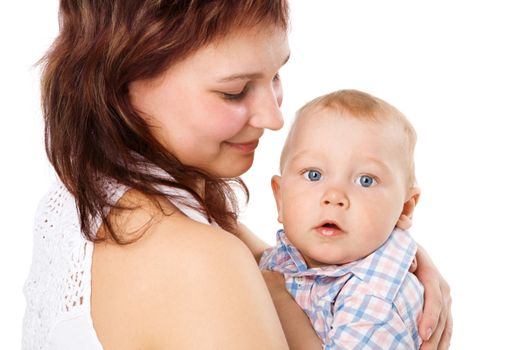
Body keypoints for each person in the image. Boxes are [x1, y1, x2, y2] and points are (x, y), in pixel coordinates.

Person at [22, 1, 451, 349]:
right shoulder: (199, 261)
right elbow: (259, 275)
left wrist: (387, 262)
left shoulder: (87, 191)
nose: (275, 117)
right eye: (234, 91)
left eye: (276, 75)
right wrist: (278, 290)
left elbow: (279, 262)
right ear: (124, 81)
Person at [260, 89, 426, 349]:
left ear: (404, 209)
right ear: (280, 199)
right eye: (313, 174)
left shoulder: (374, 300)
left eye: (366, 180)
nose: (334, 196)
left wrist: (279, 300)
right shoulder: (287, 257)